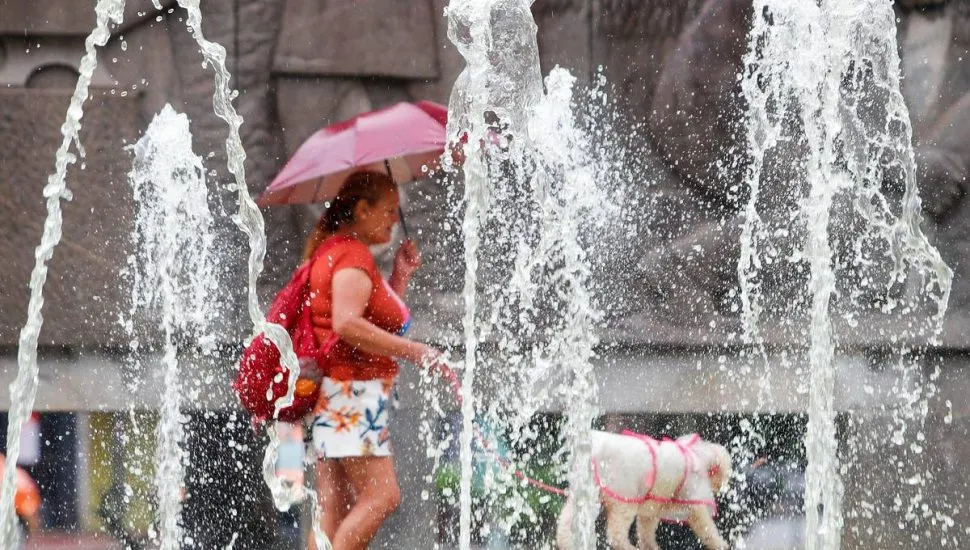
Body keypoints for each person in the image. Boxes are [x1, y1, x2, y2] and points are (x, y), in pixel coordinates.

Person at [303, 170, 445, 550]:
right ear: (362, 209)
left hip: (337, 394)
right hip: (352, 395)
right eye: (388, 210)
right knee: (382, 497)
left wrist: (399, 275)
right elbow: (347, 323)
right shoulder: (352, 255)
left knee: (334, 509)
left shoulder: (337, 251)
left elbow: (364, 321)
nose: (394, 220)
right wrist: (416, 351)